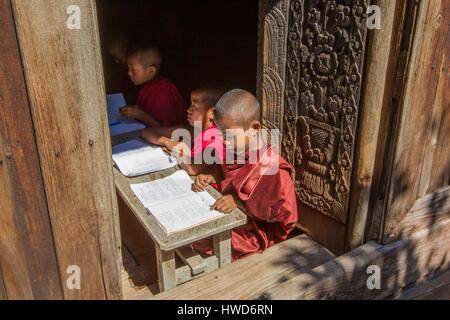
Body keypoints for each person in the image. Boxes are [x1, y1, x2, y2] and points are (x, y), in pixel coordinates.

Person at [192, 89, 298, 260]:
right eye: (221, 134)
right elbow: (224, 171)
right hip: (229, 215)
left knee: (200, 235)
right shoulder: (235, 149)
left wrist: (240, 204)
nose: (225, 142)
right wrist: (210, 176)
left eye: (229, 136)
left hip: (254, 233)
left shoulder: (272, 167)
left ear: (255, 129)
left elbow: (286, 218)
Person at [141, 86, 226, 180]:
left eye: (195, 106)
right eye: (190, 105)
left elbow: (192, 169)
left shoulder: (215, 138)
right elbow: (147, 132)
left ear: (212, 113)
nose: (189, 110)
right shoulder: (192, 130)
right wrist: (168, 142)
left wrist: (175, 152)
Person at [120, 43, 186, 127]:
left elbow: (165, 129)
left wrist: (139, 114)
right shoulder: (148, 86)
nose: (129, 73)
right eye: (128, 68)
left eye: (133, 69)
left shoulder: (162, 93)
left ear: (151, 71)